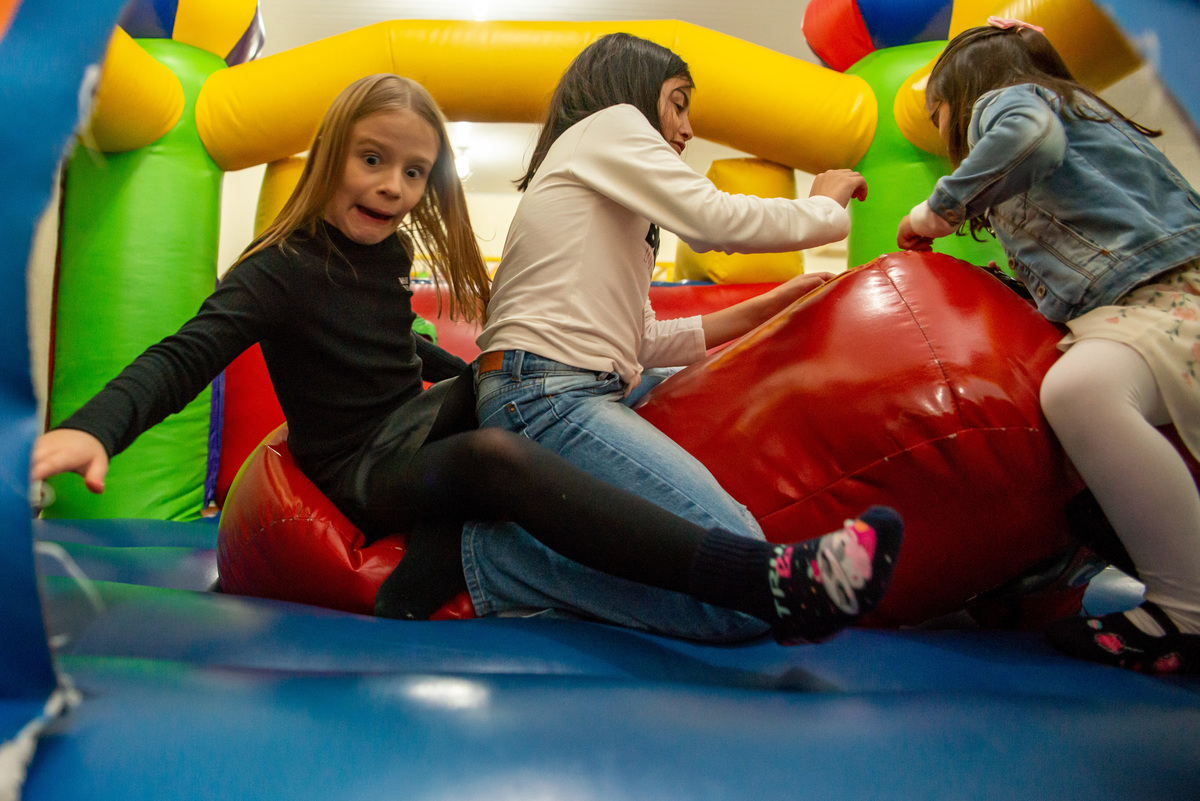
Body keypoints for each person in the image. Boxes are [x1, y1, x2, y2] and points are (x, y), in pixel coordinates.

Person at [31, 73, 899, 647]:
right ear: (333, 153)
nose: (392, 188)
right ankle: (769, 578)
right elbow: (187, 354)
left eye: (413, 173)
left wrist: (463, 376)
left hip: (408, 427)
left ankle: (448, 545)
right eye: (372, 161)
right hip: (361, 467)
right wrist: (93, 429)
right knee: (496, 445)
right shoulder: (275, 270)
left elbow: (391, 348)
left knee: (532, 380)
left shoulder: (386, 252)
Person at [468, 32, 903, 645]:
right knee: (743, 598)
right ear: (635, 95)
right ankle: (500, 559)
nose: (688, 128)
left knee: (717, 408)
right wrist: (825, 211)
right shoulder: (609, 125)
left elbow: (640, 339)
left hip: (567, 386)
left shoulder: (610, 192)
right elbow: (714, 220)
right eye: (678, 103)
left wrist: (761, 310)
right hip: (543, 394)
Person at [897, 18, 1200, 673]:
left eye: (938, 113)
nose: (946, 128)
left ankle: (1186, 611)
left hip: (1162, 289)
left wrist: (934, 211)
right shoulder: (1080, 108)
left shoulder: (1006, 103)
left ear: (963, 93)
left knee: (1081, 392)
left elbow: (1028, 138)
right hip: (1153, 289)